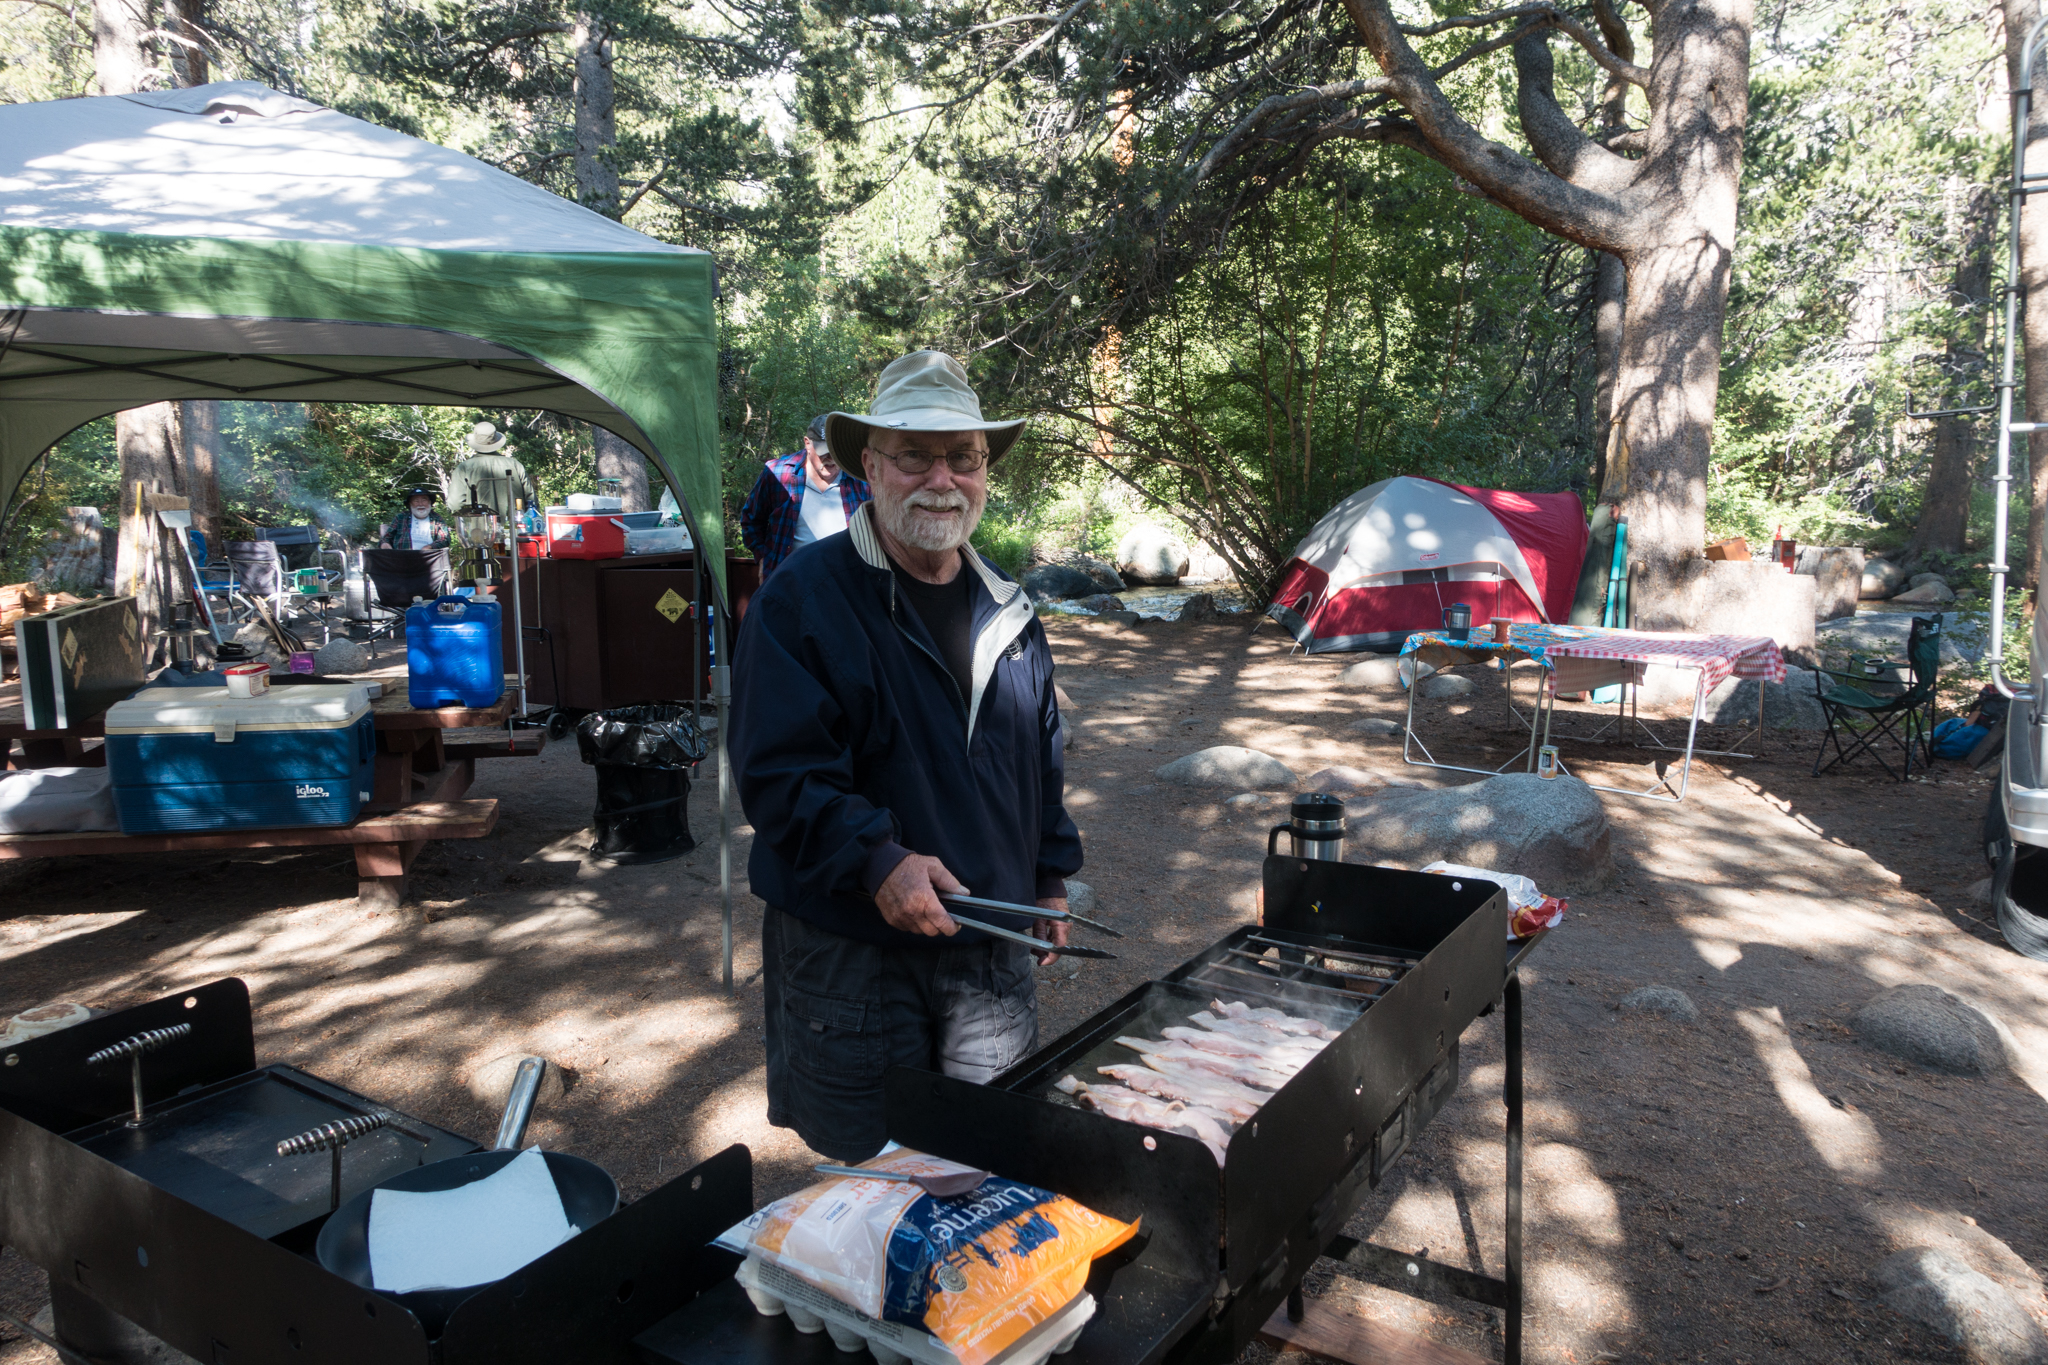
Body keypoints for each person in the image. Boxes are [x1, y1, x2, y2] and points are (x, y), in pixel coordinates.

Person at [728, 350, 1082, 1161]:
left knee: (988, 1166)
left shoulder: (1010, 609)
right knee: (872, 1182)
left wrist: (1050, 873)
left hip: (990, 953)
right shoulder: (801, 601)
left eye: (963, 457)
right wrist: (877, 861)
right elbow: (778, 774)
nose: (941, 478)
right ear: (871, 465)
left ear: (985, 470)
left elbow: (1039, 760)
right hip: (853, 962)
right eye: (916, 454)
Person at [738, 413, 872, 577]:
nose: (831, 458)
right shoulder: (778, 474)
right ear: (807, 444)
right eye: (824, 452)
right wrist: (762, 558)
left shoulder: (861, 481)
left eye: (836, 451)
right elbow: (751, 520)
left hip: (845, 583)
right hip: (789, 582)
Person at [380, 487, 451, 550]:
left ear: (430, 502)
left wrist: (430, 547)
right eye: (416, 501)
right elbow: (386, 538)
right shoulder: (401, 518)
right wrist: (385, 544)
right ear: (410, 503)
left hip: (429, 559)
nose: (420, 504)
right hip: (402, 559)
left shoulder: (437, 518)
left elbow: (445, 539)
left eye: (424, 500)